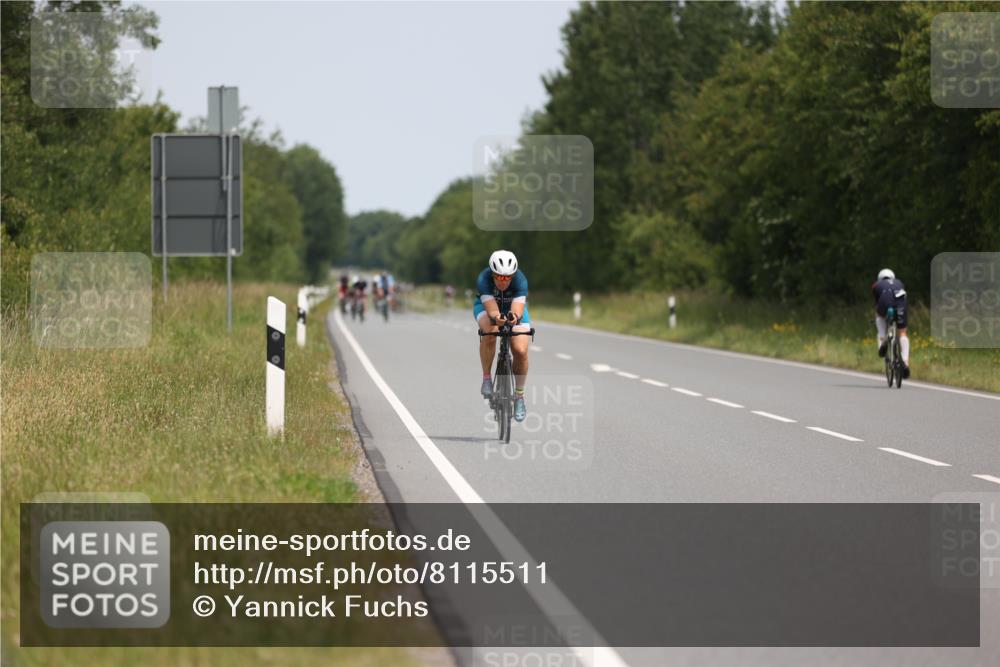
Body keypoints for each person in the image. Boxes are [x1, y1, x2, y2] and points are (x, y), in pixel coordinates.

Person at [475, 250, 531, 422]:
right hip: (486, 308)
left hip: (512, 308)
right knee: (490, 332)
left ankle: (519, 397)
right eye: (499, 277)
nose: (503, 281)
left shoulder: (521, 280)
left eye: (507, 278)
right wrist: (496, 318)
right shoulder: (483, 279)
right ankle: (486, 378)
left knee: (520, 350)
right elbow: (491, 309)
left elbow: (517, 310)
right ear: (492, 273)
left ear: (513, 276)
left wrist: (513, 318)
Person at [871, 268, 909, 378]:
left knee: (879, 316)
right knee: (902, 333)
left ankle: (883, 340)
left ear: (879, 278)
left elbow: (877, 304)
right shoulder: (899, 282)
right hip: (901, 301)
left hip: (885, 299)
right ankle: (906, 364)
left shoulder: (876, 285)